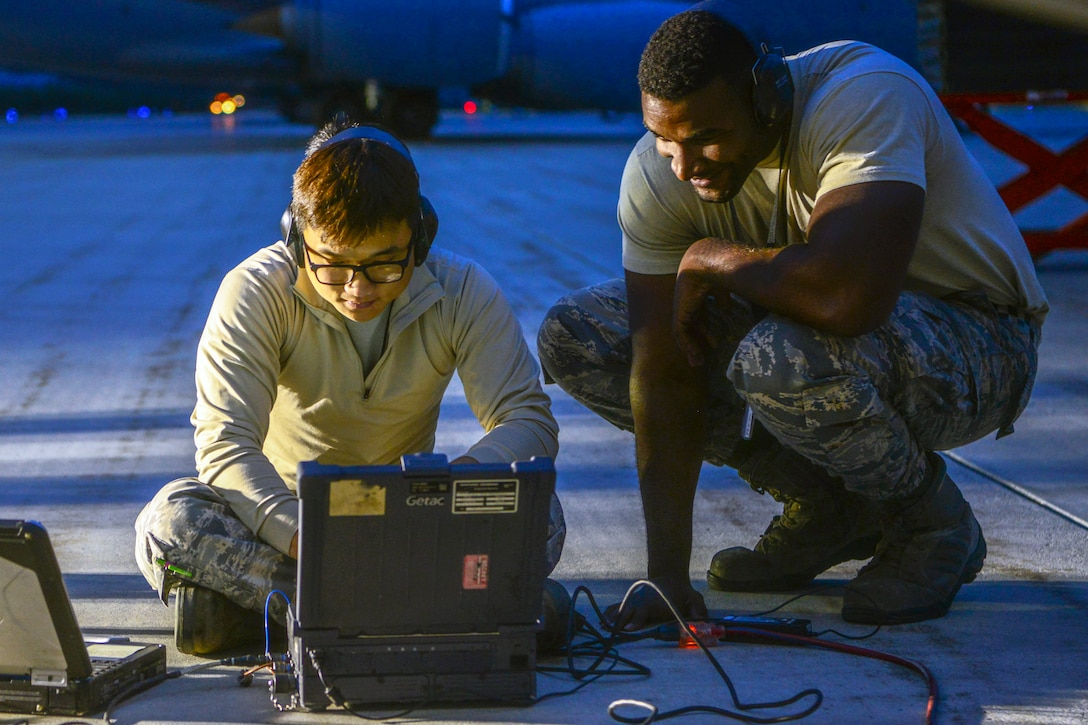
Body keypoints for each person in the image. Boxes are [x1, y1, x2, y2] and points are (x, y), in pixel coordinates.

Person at [537, 2, 1046, 629]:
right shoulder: (657, 172)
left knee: (780, 357)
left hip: (983, 341)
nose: (685, 166)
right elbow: (662, 367)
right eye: (666, 138)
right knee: (582, 336)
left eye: (705, 138)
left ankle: (931, 522)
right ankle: (828, 506)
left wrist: (714, 257)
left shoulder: (861, 96)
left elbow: (847, 299)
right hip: (826, 338)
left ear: (769, 96)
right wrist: (666, 577)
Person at [134, 117, 567, 656]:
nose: (357, 289)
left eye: (385, 265)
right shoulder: (256, 292)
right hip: (292, 523)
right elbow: (224, 444)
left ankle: (282, 612)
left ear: (421, 235)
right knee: (171, 521)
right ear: (296, 239)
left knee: (539, 509)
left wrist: (450, 496)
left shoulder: (463, 292)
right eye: (333, 266)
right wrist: (306, 538)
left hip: (415, 518)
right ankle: (453, 607)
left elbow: (527, 421)